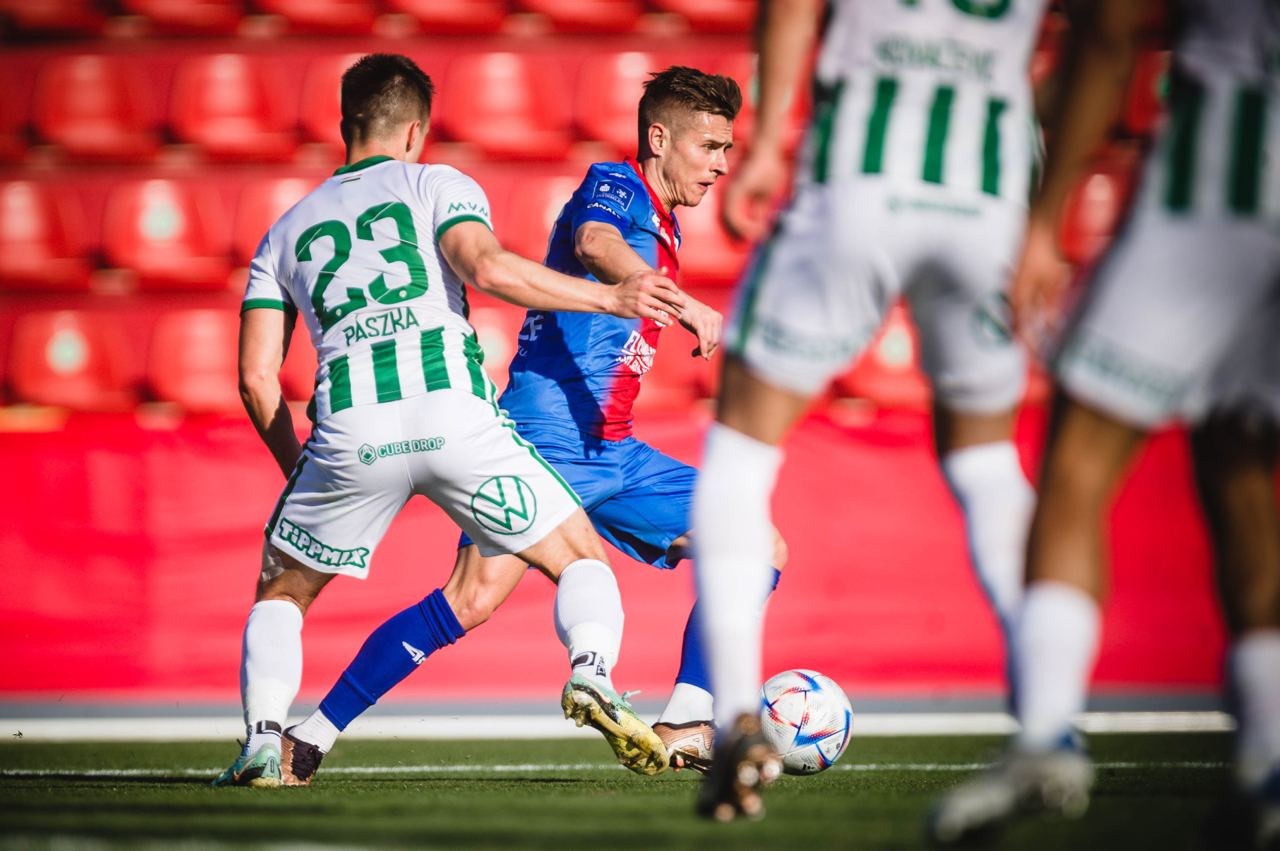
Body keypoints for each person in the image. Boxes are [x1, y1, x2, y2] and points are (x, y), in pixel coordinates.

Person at [276, 66, 791, 786]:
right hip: (543, 439)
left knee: (754, 541)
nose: (721, 164)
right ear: (658, 138)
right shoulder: (615, 184)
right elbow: (594, 241)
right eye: (709, 146)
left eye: (728, 149)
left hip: (613, 449)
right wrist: (650, 291)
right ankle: (308, 738)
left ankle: (685, 719)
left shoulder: (668, 223)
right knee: (470, 599)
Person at [693, 0, 1053, 821]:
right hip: (990, 192)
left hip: (862, 178)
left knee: (742, 454)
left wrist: (765, 144)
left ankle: (738, 717)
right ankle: (1048, 723)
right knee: (989, 463)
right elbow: (1105, 41)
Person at [930, 0, 1280, 843]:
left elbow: (1110, 31)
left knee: (1076, 463)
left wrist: (1044, 215)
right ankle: (1268, 760)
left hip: (1219, 182)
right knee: (1240, 466)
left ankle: (1045, 736)